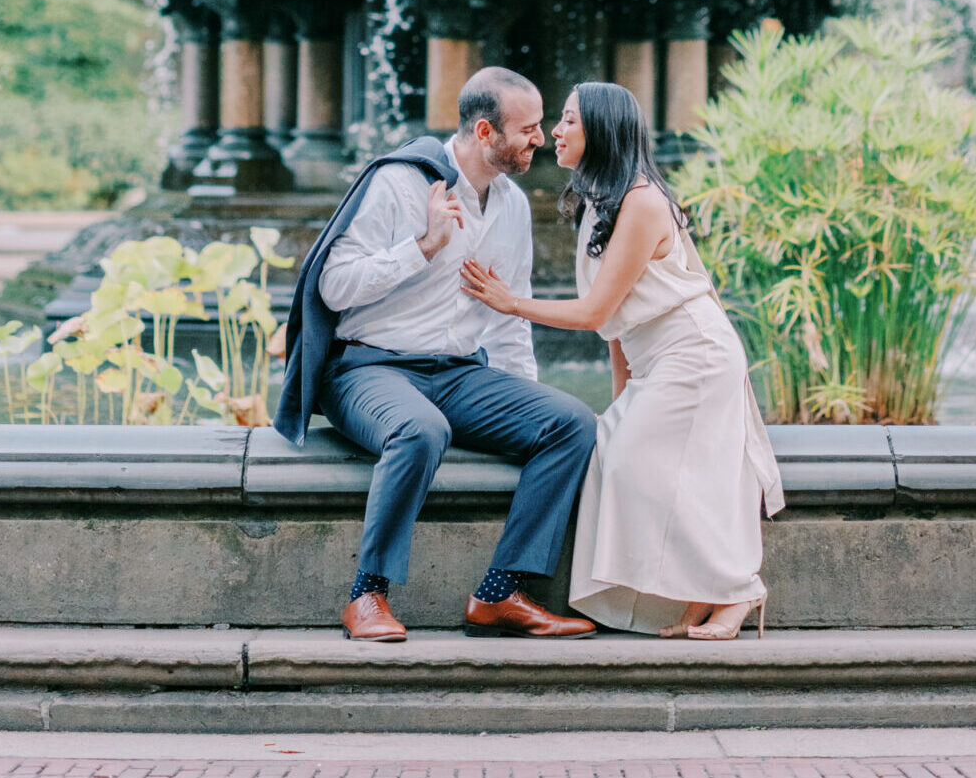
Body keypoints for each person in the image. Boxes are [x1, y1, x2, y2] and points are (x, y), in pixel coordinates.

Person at [286, 64, 599, 644]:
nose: (540, 138)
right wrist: (422, 246)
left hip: (457, 374)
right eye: (527, 128)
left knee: (571, 422)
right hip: (368, 368)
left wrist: (524, 400)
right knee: (420, 430)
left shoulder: (511, 206)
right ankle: (367, 595)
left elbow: (510, 319)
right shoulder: (401, 183)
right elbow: (332, 286)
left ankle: (500, 593)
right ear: (485, 133)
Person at [461, 82, 785, 640]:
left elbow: (595, 311)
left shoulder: (642, 202)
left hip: (694, 355)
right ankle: (698, 598)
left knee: (644, 469)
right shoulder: (600, 204)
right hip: (656, 360)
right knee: (617, 451)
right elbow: (616, 329)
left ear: (602, 132)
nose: (554, 133)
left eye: (567, 122)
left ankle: (739, 591)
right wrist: (621, 399)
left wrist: (511, 302)